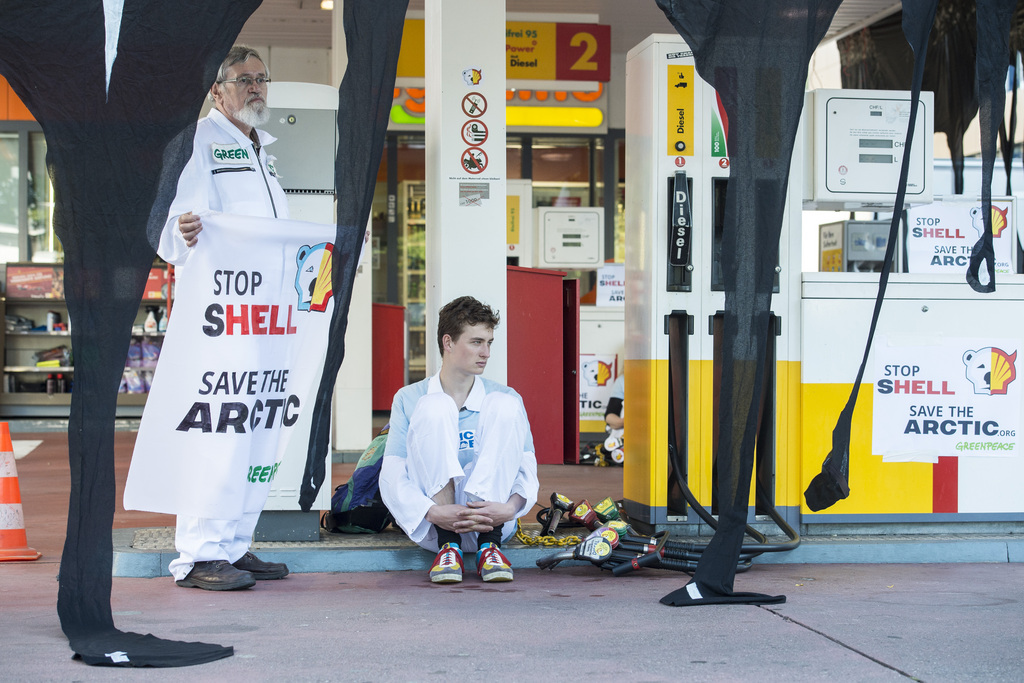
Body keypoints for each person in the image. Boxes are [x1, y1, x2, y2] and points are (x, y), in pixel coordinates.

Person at [158, 46, 290, 591]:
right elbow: (169, 219)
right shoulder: (198, 143)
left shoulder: (263, 149)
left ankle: (234, 544)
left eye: (261, 79)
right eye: (243, 80)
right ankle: (197, 554)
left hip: (266, 314)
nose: (255, 88)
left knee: (255, 427)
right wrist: (180, 232)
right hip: (221, 316)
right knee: (217, 427)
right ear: (217, 90)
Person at [379, 296, 539, 584]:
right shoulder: (410, 398)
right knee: (434, 405)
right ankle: (448, 546)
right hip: (434, 524)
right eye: (477, 342)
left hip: (495, 524)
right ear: (448, 343)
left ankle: (490, 546)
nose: (486, 352)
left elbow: (526, 465)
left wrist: (511, 508)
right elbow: (391, 474)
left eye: (489, 342)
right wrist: (432, 512)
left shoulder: (506, 398)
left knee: (503, 404)